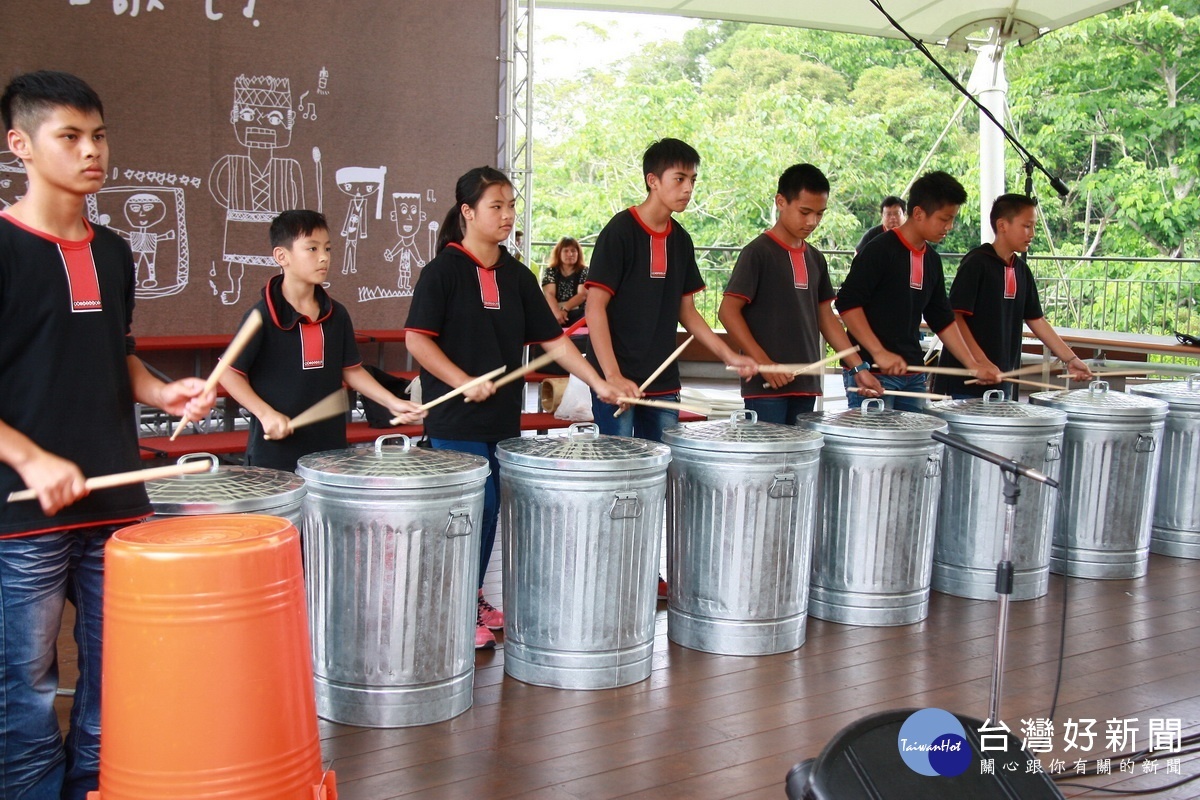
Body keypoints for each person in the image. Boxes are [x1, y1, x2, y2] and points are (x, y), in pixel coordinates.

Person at [0, 70, 216, 800]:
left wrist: (163, 389)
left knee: (115, 673)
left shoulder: (117, 251)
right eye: (70, 136)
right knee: (25, 689)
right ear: (19, 145)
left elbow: (113, 355)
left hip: (117, 504)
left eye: (98, 135)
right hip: (21, 513)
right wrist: (30, 459)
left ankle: (97, 787)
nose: (92, 150)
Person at [405, 166, 621, 650]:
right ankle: (456, 604)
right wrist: (461, 382)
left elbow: (555, 344)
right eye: (496, 207)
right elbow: (418, 340)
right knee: (472, 510)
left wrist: (598, 382)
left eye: (511, 206)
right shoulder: (442, 271)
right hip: (455, 418)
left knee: (488, 514)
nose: (507, 216)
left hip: (501, 419)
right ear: (467, 212)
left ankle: (471, 594)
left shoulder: (518, 275)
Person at [219, 210, 426, 472]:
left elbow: (351, 370)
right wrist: (265, 413)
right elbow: (228, 374)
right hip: (275, 454)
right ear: (282, 256)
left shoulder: (336, 314)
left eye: (327, 248)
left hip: (330, 450)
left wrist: (393, 402)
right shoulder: (261, 317)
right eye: (312, 248)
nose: (324, 257)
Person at [584, 137, 757, 442]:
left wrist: (728, 354)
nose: (688, 188)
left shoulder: (681, 240)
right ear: (653, 181)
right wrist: (611, 375)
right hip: (616, 379)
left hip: (663, 379)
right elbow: (594, 307)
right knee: (620, 470)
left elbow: (687, 313)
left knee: (660, 467)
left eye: (692, 180)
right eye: (679, 179)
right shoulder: (620, 231)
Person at [719, 164, 882, 424]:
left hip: (806, 382)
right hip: (766, 387)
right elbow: (727, 312)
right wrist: (764, 363)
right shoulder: (758, 252)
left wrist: (858, 366)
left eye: (819, 214)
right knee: (770, 460)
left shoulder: (816, 258)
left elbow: (826, 318)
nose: (812, 222)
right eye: (805, 212)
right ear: (781, 202)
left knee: (800, 461)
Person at [835, 171, 1003, 412]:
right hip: (871, 372)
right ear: (918, 213)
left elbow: (942, 318)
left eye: (952, 219)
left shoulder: (932, 260)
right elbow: (848, 304)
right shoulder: (879, 250)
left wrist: (972, 364)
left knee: (915, 445)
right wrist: (879, 352)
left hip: (913, 372)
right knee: (876, 448)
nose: (949, 227)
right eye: (944, 219)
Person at [932, 194, 1093, 398]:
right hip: (964, 382)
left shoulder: (1021, 270)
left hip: (1003, 379)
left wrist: (1070, 360)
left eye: (1034, 227)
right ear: (1002, 225)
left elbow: (1037, 320)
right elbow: (956, 317)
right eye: (1026, 226)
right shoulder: (976, 263)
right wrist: (980, 362)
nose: (1032, 233)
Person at [541, 236, 588, 325]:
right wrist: (557, 313)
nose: (570, 254)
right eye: (566, 251)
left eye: (573, 251)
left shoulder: (584, 270)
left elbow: (582, 294)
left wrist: (565, 308)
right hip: (555, 311)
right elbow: (549, 294)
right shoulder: (550, 271)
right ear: (559, 253)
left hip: (579, 313)